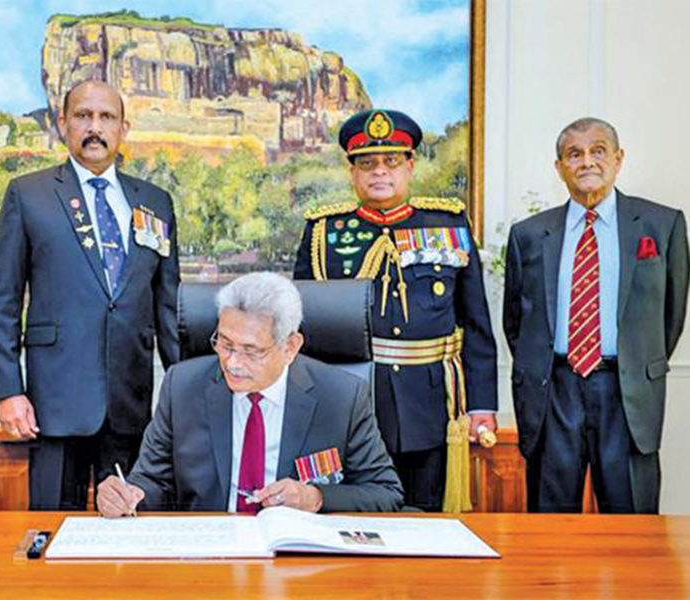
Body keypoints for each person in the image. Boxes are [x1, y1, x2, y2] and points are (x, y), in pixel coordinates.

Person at [0, 80, 180, 510]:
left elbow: (168, 308)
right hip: (53, 406)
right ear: (62, 124)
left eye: (106, 117)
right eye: (83, 116)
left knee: (130, 532)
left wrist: (184, 394)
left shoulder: (156, 203)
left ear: (123, 128)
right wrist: (7, 392)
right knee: (54, 534)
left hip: (130, 406)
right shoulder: (28, 194)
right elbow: (2, 302)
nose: (95, 127)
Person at [294, 109, 498, 512]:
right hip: (351, 401)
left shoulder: (448, 223)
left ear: (410, 166)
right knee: (352, 512)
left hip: (431, 402)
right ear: (352, 173)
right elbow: (304, 326)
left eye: (391, 161)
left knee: (427, 517)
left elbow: (476, 324)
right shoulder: (323, 231)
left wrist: (482, 406)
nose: (379, 172)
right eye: (367, 163)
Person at [97, 272, 403, 517]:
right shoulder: (183, 386)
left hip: (297, 563)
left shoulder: (342, 396)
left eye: (251, 351)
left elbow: (385, 492)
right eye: (225, 344)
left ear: (290, 347)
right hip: (208, 556)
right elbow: (152, 481)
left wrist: (315, 497)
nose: (232, 363)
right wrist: (126, 495)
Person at [503, 117, 689, 513]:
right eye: (574, 154)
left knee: (632, 519)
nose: (587, 161)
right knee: (550, 523)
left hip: (627, 393)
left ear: (618, 159)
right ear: (559, 167)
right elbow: (516, 321)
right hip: (554, 390)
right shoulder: (529, 234)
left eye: (598, 151)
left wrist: (635, 362)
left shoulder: (662, 224)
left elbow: (671, 317)